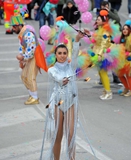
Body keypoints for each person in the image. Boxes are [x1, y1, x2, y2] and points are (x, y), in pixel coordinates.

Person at [40, 31, 84, 160]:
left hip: (70, 103)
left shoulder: (71, 66)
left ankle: (72, 159)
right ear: (56, 55)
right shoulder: (52, 69)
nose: (62, 56)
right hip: (57, 104)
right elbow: (56, 77)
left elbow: (75, 55)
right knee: (57, 136)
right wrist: (62, 79)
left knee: (71, 135)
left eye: (65, 53)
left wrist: (76, 40)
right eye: (60, 53)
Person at [11, 15, 48, 105]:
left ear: (20, 25)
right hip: (28, 57)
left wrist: (23, 57)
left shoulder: (28, 34)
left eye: (14, 26)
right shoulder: (21, 35)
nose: (13, 28)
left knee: (30, 77)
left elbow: (31, 51)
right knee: (24, 76)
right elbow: (21, 48)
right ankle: (32, 95)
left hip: (34, 57)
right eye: (12, 26)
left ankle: (35, 98)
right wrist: (21, 60)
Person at [118, 23, 131, 97]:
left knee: (128, 75)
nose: (125, 30)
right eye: (123, 29)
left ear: (129, 30)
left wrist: (128, 54)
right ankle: (126, 88)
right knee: (120, 74)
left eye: (126, 29)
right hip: (123, 59)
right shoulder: (122, 38)